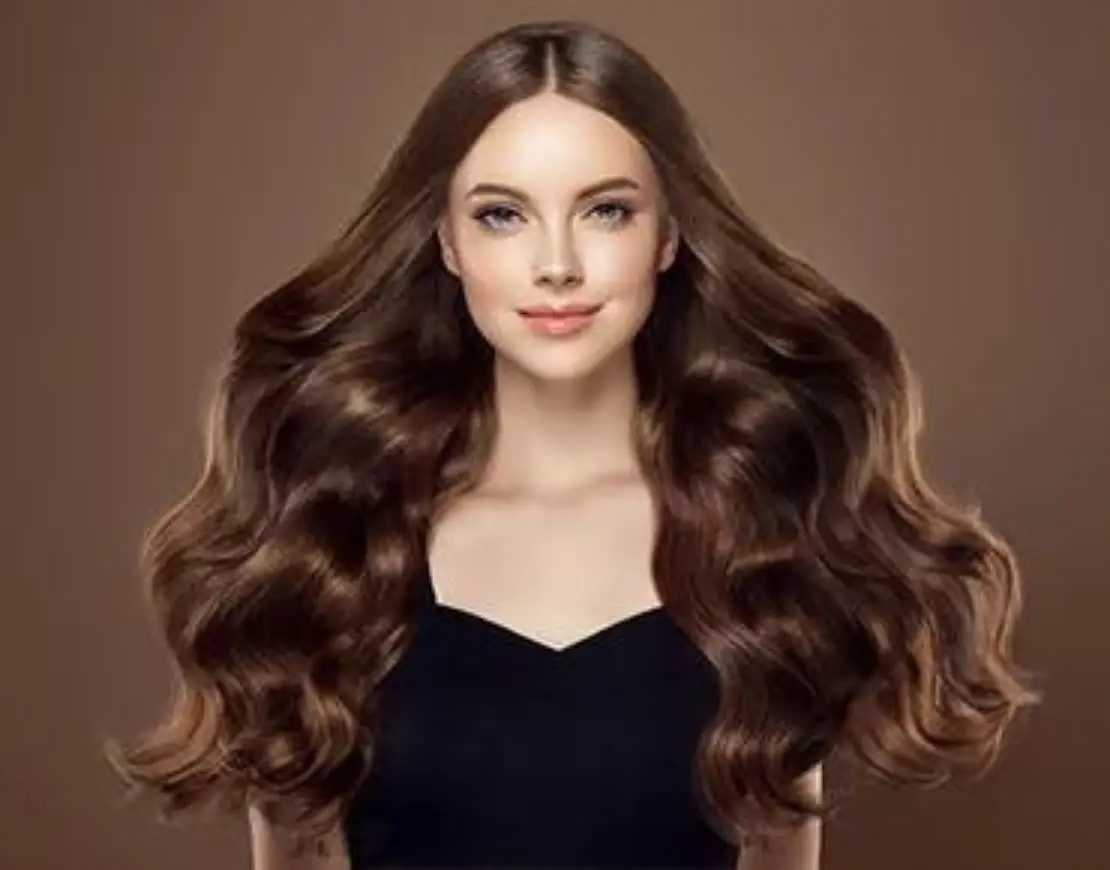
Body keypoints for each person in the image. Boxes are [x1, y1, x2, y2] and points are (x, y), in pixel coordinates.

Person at [107, 18, 1039, 870]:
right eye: (502, 214)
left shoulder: (759, 542)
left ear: (669, 235)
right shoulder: (335, 542)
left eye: (606, 210)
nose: (556, 262)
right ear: (445, 241)